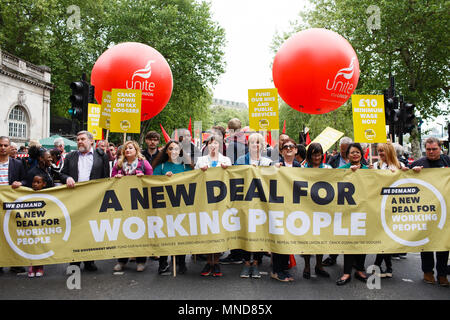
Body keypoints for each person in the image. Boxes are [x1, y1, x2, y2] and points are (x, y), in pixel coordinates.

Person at [60, 131, 110, 272]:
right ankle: (74, 261)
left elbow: (106, 177)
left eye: (82, 139)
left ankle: (89, 261)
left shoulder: (102, 157)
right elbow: (62, 173)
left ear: (91, 141)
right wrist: (67, 178)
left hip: (93, 199)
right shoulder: (70, 156)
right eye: (78, 139)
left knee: (91, 229)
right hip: (74, 199)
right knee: (75, 229)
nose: (79, 141)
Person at [408, 137, 449, 287]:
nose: (431, 152)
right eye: (428, 149)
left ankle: (442, 274)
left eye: (434, 149)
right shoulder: (418, 163)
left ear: (440, 148)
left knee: (443, 243)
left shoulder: (448, 162)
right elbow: (405, 178)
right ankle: (428, 272)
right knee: (426, 242)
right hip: (424, 211)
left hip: (444, 210)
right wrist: (412, 171)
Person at [152, 140, 192, 275]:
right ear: (166, 151)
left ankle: (181, 262)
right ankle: (163, 263)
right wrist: (164, 178)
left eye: (176, 149)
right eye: (170, 149)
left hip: (181, 206)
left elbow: (192, 182)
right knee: (164, 233)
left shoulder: (186, 167)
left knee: (180, 233)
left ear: (180, 151)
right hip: (164, 207)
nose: (173, 151)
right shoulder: (160, 167)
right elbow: (152, 183)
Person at [111, 140, 153, 272]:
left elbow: (151, 178)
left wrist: (143, 177)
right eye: (126, 149)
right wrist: (116, 177)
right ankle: (122, 260)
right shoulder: (118, 164)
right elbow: (111, 179)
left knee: (139, 230)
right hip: (123, 202)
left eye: (130, 148)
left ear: (136, 150)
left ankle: (141, 261)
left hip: (139, 202)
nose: (128, 150)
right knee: (123, 230)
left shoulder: (143, 163)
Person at [235, 133, 272, 278]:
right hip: (244, 201)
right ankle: (246, 262)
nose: (255, 145)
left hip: (261, 203)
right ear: (248, 145)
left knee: (259, 231)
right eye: (252, 143)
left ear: (262, 146)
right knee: (245, 230)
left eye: (258, 143)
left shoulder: (268, 162)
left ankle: (256, 261)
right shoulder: (239, 161)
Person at [195, 134, 231, 277]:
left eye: (216, 143)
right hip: (204, 199)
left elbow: (231, 177)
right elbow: (193, 177)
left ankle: (216, 261)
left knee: (217, 229)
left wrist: (226, 169)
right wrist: (200, 171)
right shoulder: (200, 160)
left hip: (220, 200)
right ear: (207, 145)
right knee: (207, 229)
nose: (213, 146)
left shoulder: (226, 160)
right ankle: (208, 261)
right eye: (211, 143)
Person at [372, 142, 407, 278]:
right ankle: (386, 267)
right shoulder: (375, 166)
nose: (380, 153)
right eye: (379, 151)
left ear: (390, 152)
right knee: (383, 237)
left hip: (393, 206)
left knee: (386, 237)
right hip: (379, 206)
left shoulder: (400, 166)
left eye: (383, 151)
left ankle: (381, 266)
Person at [336, 143, 368, 286]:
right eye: (352, 152)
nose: (355, 155)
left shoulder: (369, 170)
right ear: (347, 155)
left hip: (364, 211)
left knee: (362, 241)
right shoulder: (341, 170)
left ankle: (360, 269)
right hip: (347, 212)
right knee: (348, 242)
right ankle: (347, 272)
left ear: (361, 154)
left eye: (357, 152)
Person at [271, 138, 300, 282]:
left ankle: (284, 268)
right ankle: (277, 270)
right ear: (282, 151)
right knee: (279, 238)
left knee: (288, 239)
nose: (288, 148)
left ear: (296, 150)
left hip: (293, 209)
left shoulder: (299, 167)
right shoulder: (276, 166)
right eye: (285, 147)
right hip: (278, 208)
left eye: (291, 146)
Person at [301, 142, 332, 279]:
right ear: (310, 155)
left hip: (323, 209)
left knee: (321, 238)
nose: (317, 157)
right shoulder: (301, 168)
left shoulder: (328, 168)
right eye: (314, 154)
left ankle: (319, 265)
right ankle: (307, 266)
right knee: (307, 238)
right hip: (306, 208)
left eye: (319, 154)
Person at [0, 136, 26, 273]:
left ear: (10, 147)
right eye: (0, 145)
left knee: (13, 233)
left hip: (12, 205)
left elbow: (26, 179)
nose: (3, 148)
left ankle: (15, 263)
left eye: (5, 145)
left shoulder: (17, 164)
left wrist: (21, 183)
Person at [27, 173, 48, 277]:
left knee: (40, 244)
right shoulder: (26, 194)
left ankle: (40, 266)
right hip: (31, 225)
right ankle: (31, 265)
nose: (35, 184)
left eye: (38, 182)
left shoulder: (48, 195)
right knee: (31, 244)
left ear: (44, 184)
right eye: (34, 182)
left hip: (42, 226)